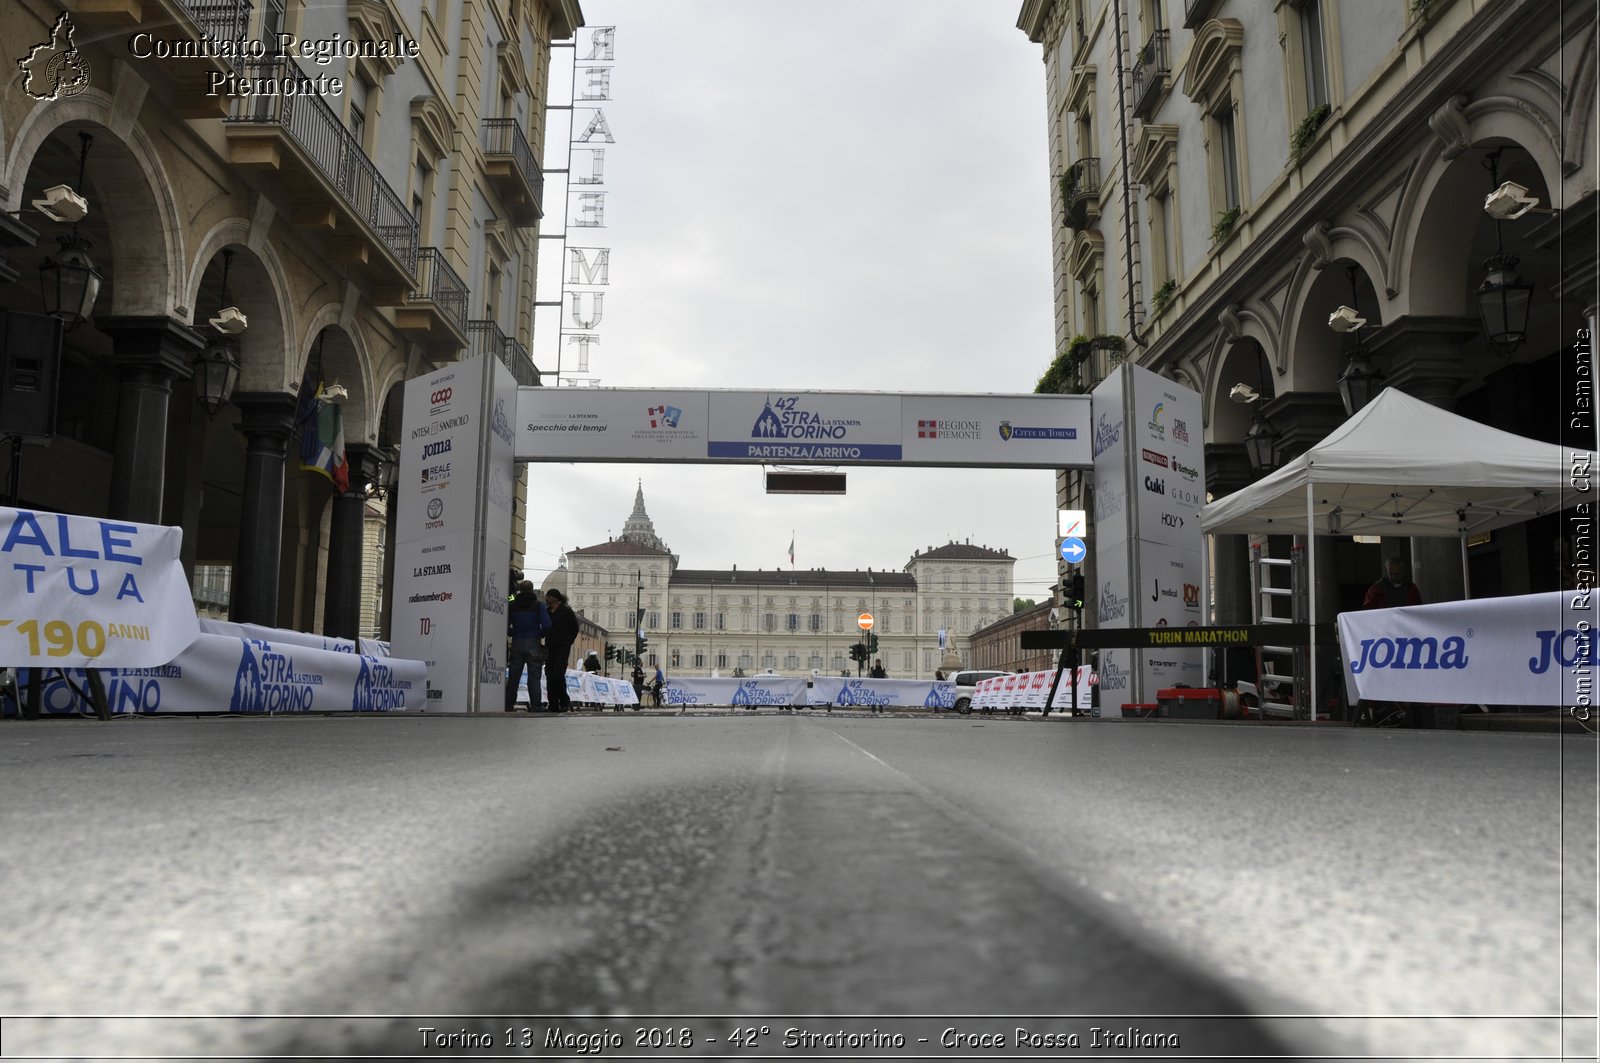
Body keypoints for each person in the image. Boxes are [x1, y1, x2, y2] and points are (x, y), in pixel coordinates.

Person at [504, 582, 549, 712]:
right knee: (534, 676)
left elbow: (505, 625)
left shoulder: (512, 604)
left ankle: (508, 705)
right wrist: (539, 634)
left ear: (520, 590)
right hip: (533, 643)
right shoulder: (538, 606)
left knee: (514, 677)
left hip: (517, 642)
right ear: (531, 590)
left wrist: (514, 633)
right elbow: (547, 624)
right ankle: (536, 705)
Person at [542, 588, 579, 713]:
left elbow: (575, 628)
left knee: (558, 675)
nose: (546, 598)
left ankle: (564, 701)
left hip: (562, 647)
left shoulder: (566, 611)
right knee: (549, 675)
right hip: (549, 647)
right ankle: (553, 704)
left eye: (549, 596)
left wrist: (568, 641)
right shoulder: (546, 611)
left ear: (555, 598)